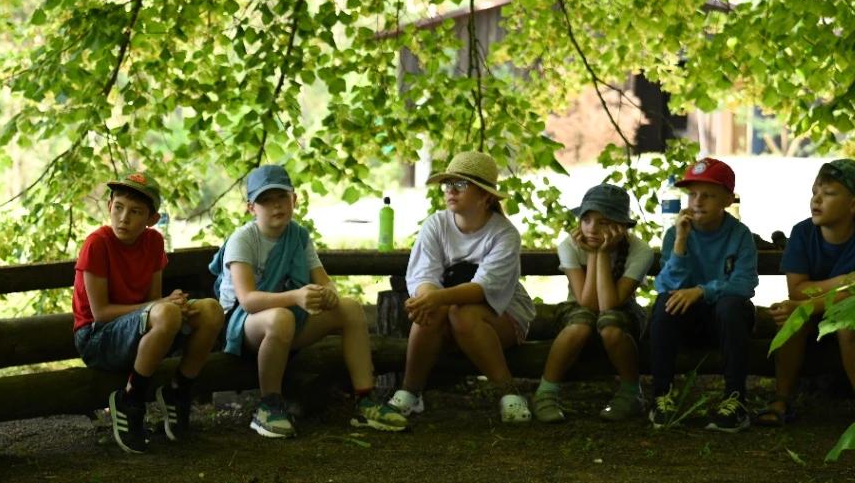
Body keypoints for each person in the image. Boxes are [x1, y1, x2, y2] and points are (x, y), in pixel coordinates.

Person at [212, 164, 407, 439]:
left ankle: (365, 400)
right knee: (281, 317)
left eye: (281, 197)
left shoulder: (298, 236)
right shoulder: (243, 239)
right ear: (251, 208)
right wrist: (296, 296)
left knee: (350, 308)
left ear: (294, 199)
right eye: (266, 200)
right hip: (243, 326)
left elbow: (324, 281)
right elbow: (247, 301)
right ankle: (269, 406)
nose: (276, 206)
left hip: (288, 320)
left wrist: (328, 293)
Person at [73, 171, 223, 453]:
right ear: (109, 206)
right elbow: (101, 313)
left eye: (135, 212)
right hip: (97, 339)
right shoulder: (97, 244)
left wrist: (172, 304)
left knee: (211, 310)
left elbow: (153, 301)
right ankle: (131, 399)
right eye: (118, 207)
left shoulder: (153, 241)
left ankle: (179, 390)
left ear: (152, 219)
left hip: (139, 330)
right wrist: (161, 306)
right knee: (166, 312)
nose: (123, 218)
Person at [389, 151, 538, 423]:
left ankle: (509, 393)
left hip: (503, 316)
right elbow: (424, 275)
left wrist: (437, 299)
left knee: (462, 313)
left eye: (461, 184)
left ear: (485, 196)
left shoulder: (504, 234)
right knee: (432, 310)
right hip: (448, 313)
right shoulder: (435, 225)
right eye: (448, 184)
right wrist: (427, 300)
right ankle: (410, 393)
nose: (451, 190)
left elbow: (483, 288)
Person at [757, 159, 855, 425]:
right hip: (813, 313)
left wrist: (807, 303)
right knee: (793, 321)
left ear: (854, 204)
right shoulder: (802, 233)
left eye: (828, 193)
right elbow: (797, 290)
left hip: (853, 314)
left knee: (847, 324)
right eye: (814, 192)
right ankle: (781, 399)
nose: (816, 200)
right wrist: (846, 280)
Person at [647, 157, 759, 430]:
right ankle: (661, 396)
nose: (697, 202)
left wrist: (701, 291)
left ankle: (735, 400)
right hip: (686, 322)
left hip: (725, 324)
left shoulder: (740, 235)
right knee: (665, 302)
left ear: (727, 200)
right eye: (693, 194)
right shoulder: (676, 234)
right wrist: (681, 242)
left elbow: (745, 284)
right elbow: (665, 285)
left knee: (732, 306)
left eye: (708, 195)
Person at [533, 183, 653, 423]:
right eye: (586, 220)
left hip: (622, 311)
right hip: (578, 309)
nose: (591, 228)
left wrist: (601, 254)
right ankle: (545, 392)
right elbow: (586, 302)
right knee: (580, 323)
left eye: (603, 222)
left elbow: (609, 304)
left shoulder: (640, 251)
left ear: (621, 226)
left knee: (610, 325)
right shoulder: (569, 245)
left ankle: (631, 393)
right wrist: (593, 254)